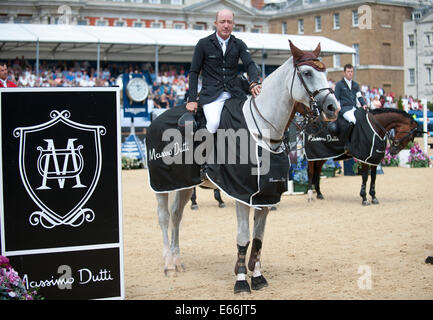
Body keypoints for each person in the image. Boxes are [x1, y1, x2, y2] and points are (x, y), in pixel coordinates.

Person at [186, 9, 261, 134]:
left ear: (233, 24)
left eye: (229, 22)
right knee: (213, 123)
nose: (226, 25)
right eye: (222, 22)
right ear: (216, 23)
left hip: (235, 94)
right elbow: (194, 72)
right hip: (212, 96)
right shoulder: (203, 44)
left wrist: (254, 82)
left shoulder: (239, 44)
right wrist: (192, 99)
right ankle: (206, 152)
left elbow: (250, 64)